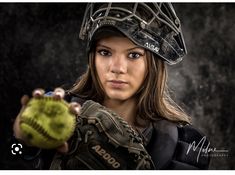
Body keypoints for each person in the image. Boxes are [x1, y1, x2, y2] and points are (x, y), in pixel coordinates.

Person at [5, 3, 210, 170]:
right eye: (105, 52)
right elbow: (11, 154)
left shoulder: (184, 145)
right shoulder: (59, 112)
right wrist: (21, 143)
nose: (117, 68)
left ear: (154, 64)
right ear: (92, 58)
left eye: (134, 55)